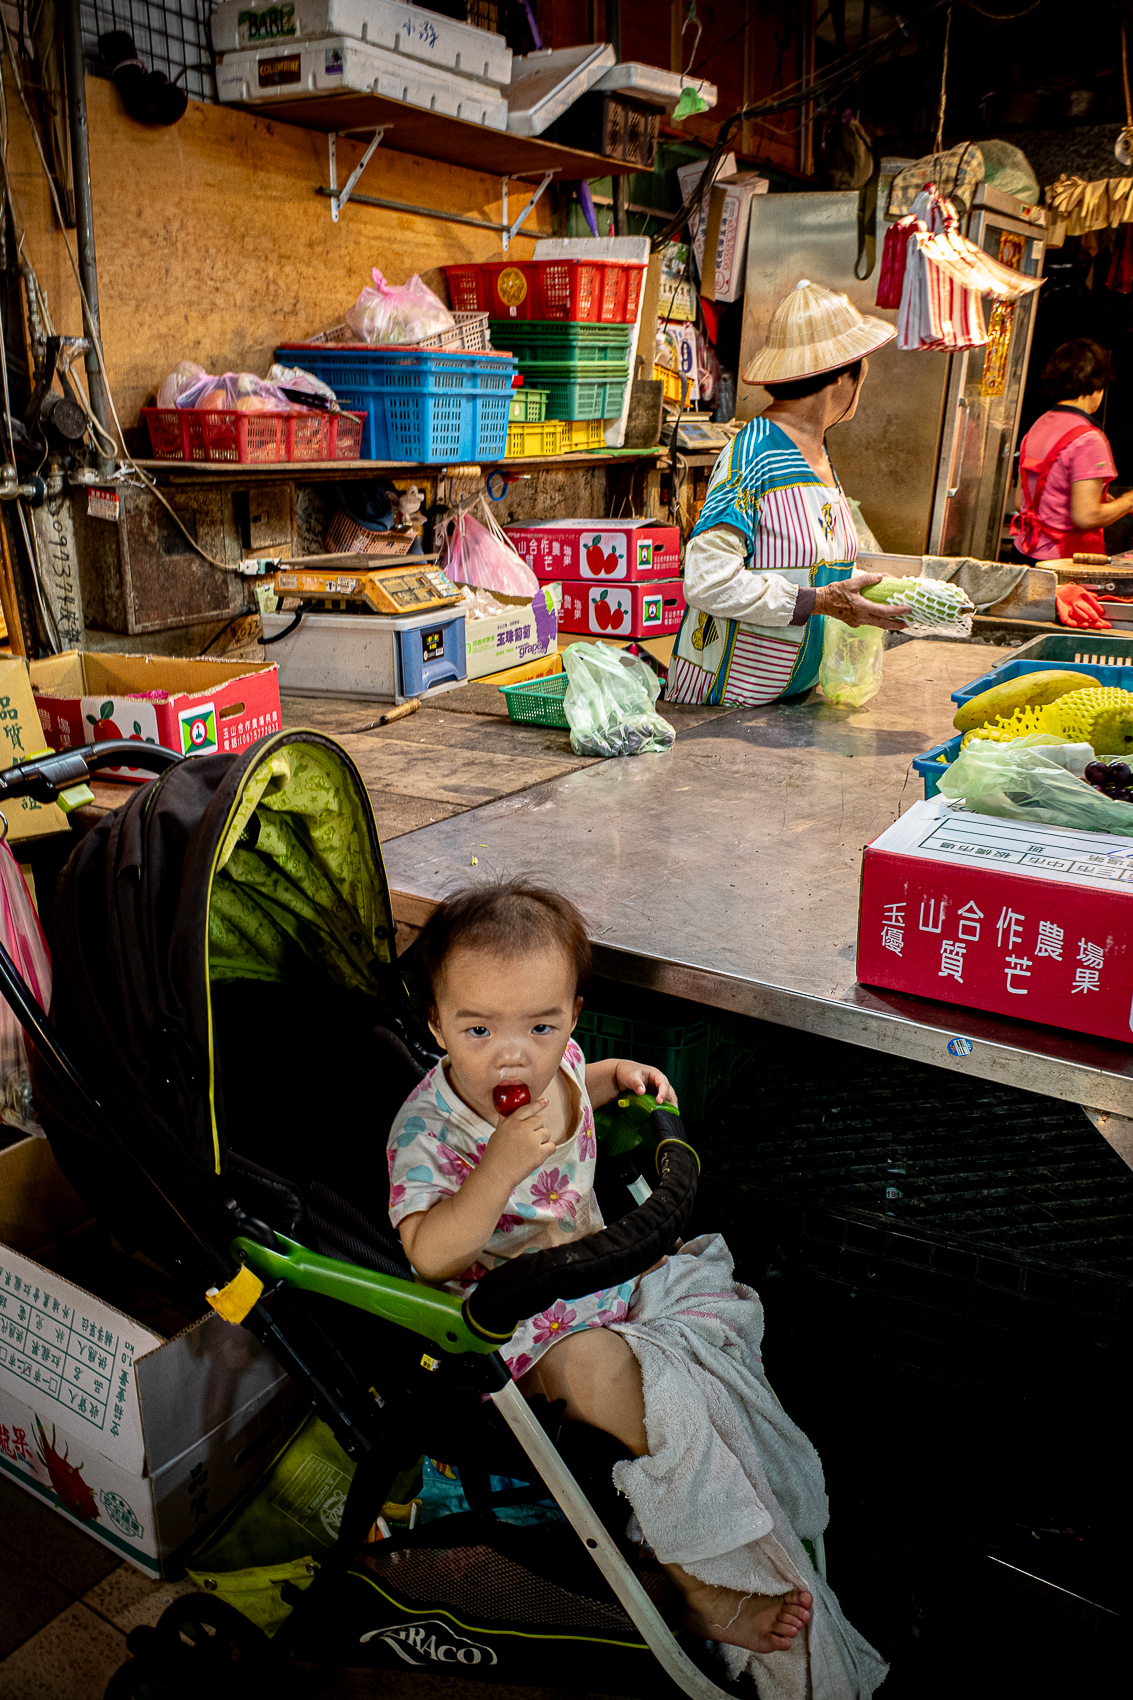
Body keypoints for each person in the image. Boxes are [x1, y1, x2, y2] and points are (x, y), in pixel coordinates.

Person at [387, 883, 884, 1687]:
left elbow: (580, 1089)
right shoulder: (428, 1131)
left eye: (540, 1026)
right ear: (437, 1023)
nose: (511, 1055)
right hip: (509, 1324)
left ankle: (729, 1477)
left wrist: (618, 1076)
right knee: (599, 1371)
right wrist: (497, 1168)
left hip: (602, 1274)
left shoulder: (560, 1066)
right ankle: (694, 1579)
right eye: (478, 1029)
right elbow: (428, 1253)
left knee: (707, 1306)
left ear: (572, 1016)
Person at [667, 279, 909, 708]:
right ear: (843, 373)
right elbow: (707, 581)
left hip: (787, 703)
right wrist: (818, 602)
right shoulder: (753, 455)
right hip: (725, 710)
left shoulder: (816, 451)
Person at [1012, 337, 1133, 564]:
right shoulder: (1088, 439)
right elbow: (1086, 516)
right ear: (1097, 385)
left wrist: (1111, 501)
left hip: (1026, 550)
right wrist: (1127, 503)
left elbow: (1051, 488)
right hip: (1063, 561)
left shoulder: (1040, 424)